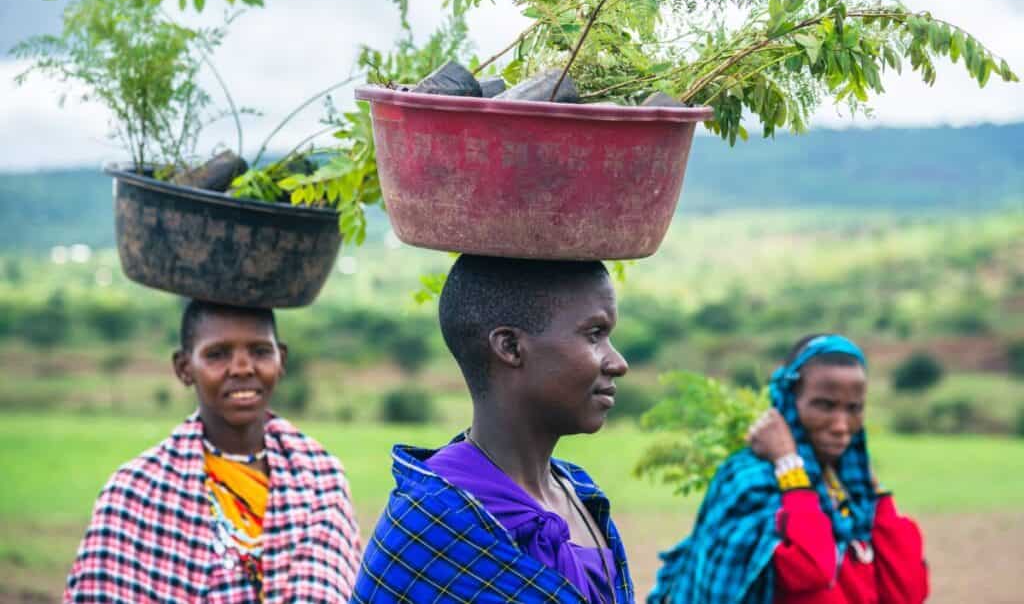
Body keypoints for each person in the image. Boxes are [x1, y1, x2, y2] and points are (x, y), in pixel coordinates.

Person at [352, 255, 635, 603]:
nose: (618, 363)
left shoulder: (583, 497)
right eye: (594, 335)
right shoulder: (429, 527)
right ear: (511, 347)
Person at [65, 300, 361, 603]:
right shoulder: (134, 492)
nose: (243, 368)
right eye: (218, 354)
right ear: (184, 368)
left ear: (281, 359)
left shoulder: (320, 479)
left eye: (260, 351)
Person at [649, 334, 929, 604]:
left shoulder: (849, 490)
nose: (841, 426)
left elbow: (907, 592)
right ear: (789, 402)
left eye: (854, 408)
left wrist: (872, 487)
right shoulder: (751, 479)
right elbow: (812, 568)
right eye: (824, 405)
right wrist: (790, 468)